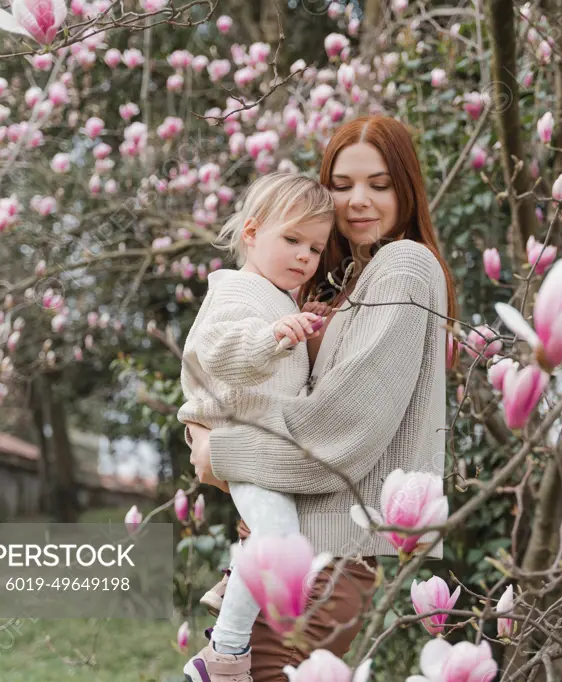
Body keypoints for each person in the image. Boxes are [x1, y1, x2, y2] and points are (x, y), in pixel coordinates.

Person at [186, 115, 458, 682]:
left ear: (406, 187)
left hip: (326, 560)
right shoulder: (338, 281)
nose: (358, 201)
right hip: (301, 551)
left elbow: (342, 429)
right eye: (342, 184)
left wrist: (220, 453)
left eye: (379, 184)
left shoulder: (402, 265)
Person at [177, 173, 335, 681]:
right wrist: (272, 338)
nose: (305, 256)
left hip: (259, 442)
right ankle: (222, 658)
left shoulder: (276, 298)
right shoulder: (237, 291)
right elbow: (221, 353)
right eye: (292, 239)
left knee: (275, 535)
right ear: (251, 232)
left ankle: (235, 578)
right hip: (235, 435)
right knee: (280, 536)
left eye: (315, 247)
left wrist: (298, 328)